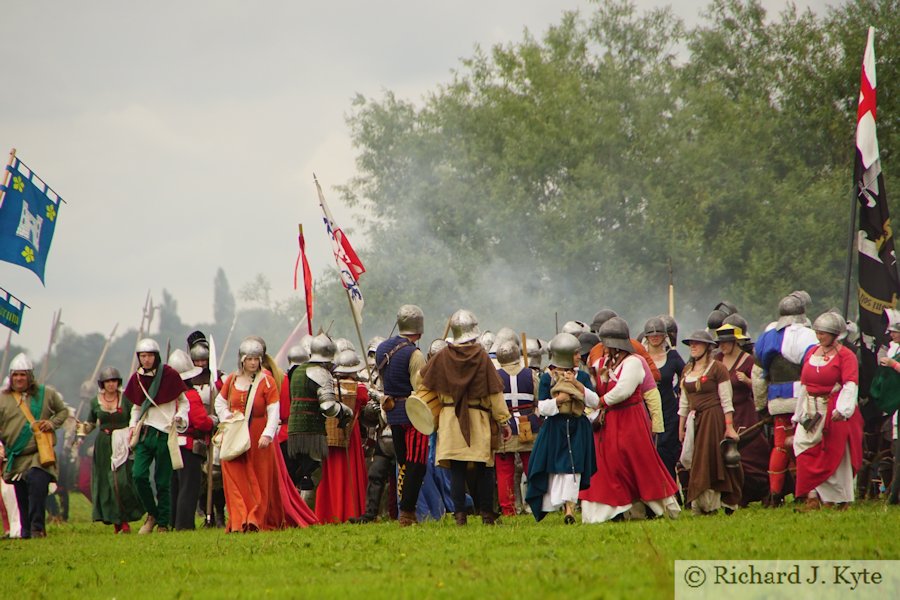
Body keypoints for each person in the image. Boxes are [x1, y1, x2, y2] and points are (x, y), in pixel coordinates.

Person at [580, 318, 680, 522]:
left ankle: (660, 508)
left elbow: (622, 391)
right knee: (608, 466)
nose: (604, 348)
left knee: (641, 463)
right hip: (608, 422)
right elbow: (592, 387)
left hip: (630, 420)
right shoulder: (601, 363)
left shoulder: (634, 362)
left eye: (607, 343)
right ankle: (611, 511)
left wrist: (599, 401)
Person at [419, 309, 512, 525]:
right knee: (483, 468)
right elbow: (494, 393)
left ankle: (460, 516)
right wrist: (503, 420)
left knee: (457, 469)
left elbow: (421, 379)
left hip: (450, 419)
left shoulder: (442, 356)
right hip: (477, 418)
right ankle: (487, 515)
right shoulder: (481, 356)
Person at [216, 337, 317, 531]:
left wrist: (267, 434)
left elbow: (274, 410)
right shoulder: (232, 379)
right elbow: (220, 403)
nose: (253, 363)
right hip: (236, 434)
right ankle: (239, 520)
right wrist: (227, 417)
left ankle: (255, 519)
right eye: (250, 359)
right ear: (242, 360)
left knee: (259, 480)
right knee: (236, 477)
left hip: (258, 434)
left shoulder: (267, 381)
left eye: (256, 359)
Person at [793, 312, 863, 511]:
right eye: (818, 332)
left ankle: (840, 500)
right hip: (810, 409)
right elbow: (804, 384)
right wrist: (798, 413)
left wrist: (843, 409)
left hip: (833, 409)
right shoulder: (811, 352)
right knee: (803, 448)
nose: (819, 336)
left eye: (823, 333)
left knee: (834, 455)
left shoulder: (845, 356)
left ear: (835, 334)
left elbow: (850, 384)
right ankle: (812, 497)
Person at [752, 291, 817, 506]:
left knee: (780, 446)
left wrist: (761, 405)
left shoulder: (768, 334)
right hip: (802, 398)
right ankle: (802, 493)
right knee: (803, 446)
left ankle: (775, 494)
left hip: (776, 401)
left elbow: (759, 376)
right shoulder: (807, 335)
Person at [526, 333, 598, 523]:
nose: (578, 357)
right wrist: (558, 401)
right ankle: (559, 505)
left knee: (573, 469)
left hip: (578, 427)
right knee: (556, 469)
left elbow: (594, 401)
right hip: (555, 428)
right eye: (575, 353)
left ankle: (570, 510)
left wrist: (577, 385)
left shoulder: (582, 375)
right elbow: (542, 408)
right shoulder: (547, 378)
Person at [124, 338, 190, 534]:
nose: (146, 360)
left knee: (162, 481)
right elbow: (137, 407)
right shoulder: (136, 379)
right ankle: (152, 514)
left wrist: (179, 416)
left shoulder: (169, 375)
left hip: (165, 433)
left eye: (149, 355)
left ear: (156, 356)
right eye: (142, 356)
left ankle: (163, 523)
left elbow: (183, 402)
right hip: (145, 434)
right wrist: (132, 425)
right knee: (138, 475)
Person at [0, 354, 68, 538]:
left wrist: (52, 423)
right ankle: (26, 530)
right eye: (16, 375)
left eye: (23, 375)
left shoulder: (47, 394)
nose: (19, 378)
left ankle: (38, 527)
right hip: (17, 455)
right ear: (11, 376)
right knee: (21, 493)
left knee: (37, 484)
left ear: (30, 376)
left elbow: (63, 411)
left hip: (40, 453)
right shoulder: (2, 399)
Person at [374, 305, 429, 527]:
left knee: (404, 463)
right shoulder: (414, 354)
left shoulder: (381, 348)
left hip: (392, 414)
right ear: (419, 329)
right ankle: (406, 512)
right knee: (416, 465)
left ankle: (404, 510)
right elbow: (421, 388)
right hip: (412, 415)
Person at [678, 331, 742, 515]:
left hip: (713, 418)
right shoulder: (687, 370)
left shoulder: (717, 368)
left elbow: (726, 399)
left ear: (707, 347)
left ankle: (711, 504)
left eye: (697, 343)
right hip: (694, 419)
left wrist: (729, 426)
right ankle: (701, 503)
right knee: (693, 459)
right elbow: (684, 401)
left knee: (709, 460)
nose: (693, 346)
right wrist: (680, 427)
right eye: (691, 344)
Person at [287, 334, 350, 506]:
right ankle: (306, 517)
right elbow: (328, 407)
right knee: (312, 474)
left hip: (294, 429)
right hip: (311, 431)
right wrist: (345, 410)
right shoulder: (320, 373)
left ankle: (298, 514)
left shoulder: (298, 370)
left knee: (300, 474)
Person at [80, 367, 144, 533]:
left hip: (123, 443)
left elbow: (135, 418)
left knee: (121, 482)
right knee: (107, 484)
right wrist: (80, 429)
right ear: (103, 383)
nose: (111, 384)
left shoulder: (126, 399)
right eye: (108, 381)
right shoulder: (95, 402)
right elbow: (91, 424)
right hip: (103, 445)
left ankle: (127, 516)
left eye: (114, 381)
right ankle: (119, 523)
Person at [714, 324, 769, 505]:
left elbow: (761, 387)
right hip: (722, 413)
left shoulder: (749, 360)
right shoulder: (717, 360)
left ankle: (754, 492)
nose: (723, 346)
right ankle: (726, 494)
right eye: (720, 343)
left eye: (726, 342)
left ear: (735, 341)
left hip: (744, 413)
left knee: (749, 454)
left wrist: (747, 381)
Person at [315, 349, 368, 523]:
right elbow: (366, 400)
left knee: (331, 476)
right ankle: (350, 511)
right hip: (350, 436)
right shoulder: (359, 389)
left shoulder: (326, 386)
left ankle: (328, 513)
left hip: (329, 437)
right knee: (349, 473)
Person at [167, 350, 216, 531]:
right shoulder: (191, 395)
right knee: (188, 487)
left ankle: (172, 522)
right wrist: (213, 421)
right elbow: (201, 422)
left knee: (175, 486)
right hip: (188, 446)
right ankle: (184, 525)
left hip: (171, 445)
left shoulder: (167, 396)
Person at [492, 340, 540, 516]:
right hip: (528, 425)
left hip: (505, 428)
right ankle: (537, 505)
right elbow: (537, 400)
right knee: (531, 466)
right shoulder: (531, 374)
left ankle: (508, 509)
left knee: (505, 471)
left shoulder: (495, 376)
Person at [642, 317, 685, 481]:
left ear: (664, 336)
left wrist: (677, 391)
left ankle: (671, 489)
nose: (655, 337)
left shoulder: (673, 356)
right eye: (651, 335)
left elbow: (685, 375)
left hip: (668, 409)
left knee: (665, 449)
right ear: (646, 337)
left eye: (658, 334)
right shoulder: (640, 357)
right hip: (646, 409)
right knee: (647, 449)